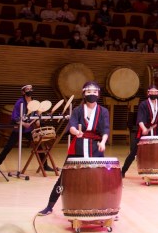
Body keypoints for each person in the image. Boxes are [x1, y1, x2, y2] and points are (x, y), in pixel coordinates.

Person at [38, 81, 110, 216]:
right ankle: (50, 206)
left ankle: (106, 208)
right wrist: (76, 132)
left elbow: (106, 129)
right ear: (84, 94)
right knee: (64, 177)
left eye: (94, 92)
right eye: (89, 92)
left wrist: (103, 142)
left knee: (99, 179)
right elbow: (71, 126)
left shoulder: (103, 111)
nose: (92, 94)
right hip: (78, 146)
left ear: (98, 94)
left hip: (96, 147)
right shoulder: (77, 110)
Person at [0, 85, 51, 176]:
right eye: (27, 90)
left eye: (30, 89)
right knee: (8, 147)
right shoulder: (20, 102)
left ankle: (45, 165)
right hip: (18, 129)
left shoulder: (34, 102)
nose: (29, 91)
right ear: (23, 92)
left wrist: (38, 120)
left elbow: (36, 116)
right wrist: (23, 123)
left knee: (38, 144)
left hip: (28, 130)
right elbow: (14, 117)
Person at [121, 85, 158, 179]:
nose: (154, 93)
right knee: (134, 152)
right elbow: (140, 119)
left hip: (157, 130)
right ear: (148, 93)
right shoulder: (143, 104)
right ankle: (123, 171)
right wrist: (144, 129)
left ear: (157, 93)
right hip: (144, 130)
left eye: (155, 92)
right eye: (152, 92)